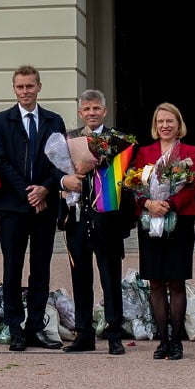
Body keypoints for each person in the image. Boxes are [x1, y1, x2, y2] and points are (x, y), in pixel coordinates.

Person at [0, 65, 66, 351]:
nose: (25, 92)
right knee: (12, 269)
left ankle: (35, 326)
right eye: (20, 87)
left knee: (41, 269)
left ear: (39, 87)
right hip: (13, 207)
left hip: (45, 206)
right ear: (14, 89)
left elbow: (60, 161)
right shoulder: (0, 121)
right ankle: (15, 327)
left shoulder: (53, 121)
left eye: (30, 86)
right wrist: (28, 193)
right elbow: (1, 161)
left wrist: (45, 188)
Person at [56, 90, 131, 355]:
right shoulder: (69, 140)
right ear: (80, 113)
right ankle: (84, 334)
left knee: (110, 278)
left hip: (107, 219)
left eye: (96, 108)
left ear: (105, 111)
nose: (91, 113)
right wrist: (68, 178)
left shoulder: (119, 141)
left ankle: (114, 335)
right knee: (80, 277)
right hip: (77, 218)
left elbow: (127, 180)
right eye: (86, 109)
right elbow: (58, 172)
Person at [131, 103, 195, 361]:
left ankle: (176, 342)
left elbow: (193, 185)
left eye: (170, 121)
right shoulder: (144, 152)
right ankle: (162, 340)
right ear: (155, 125)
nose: (165, 126)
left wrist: (170, 204)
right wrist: (148, 203)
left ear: (178, 123)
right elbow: (133, 183)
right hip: (150, 222)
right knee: (156, 282)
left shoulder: (190, 151)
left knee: (176, 280)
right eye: (160, 121)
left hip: (179, 221)